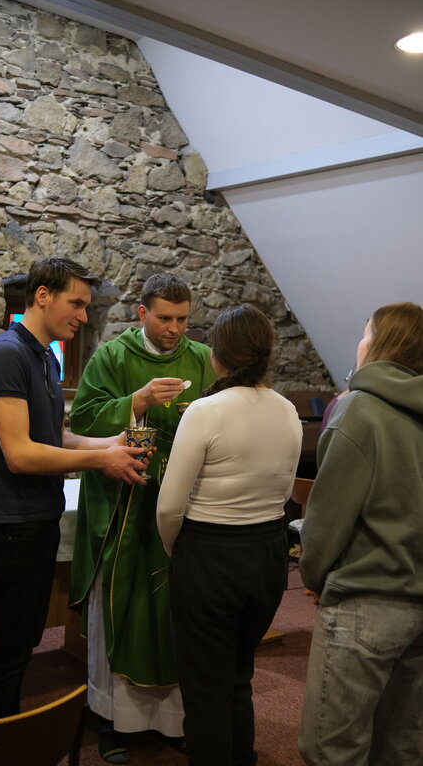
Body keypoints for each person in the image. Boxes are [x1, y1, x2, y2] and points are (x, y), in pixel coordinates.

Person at [0, 256, 148, 721]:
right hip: (12, 523)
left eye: (87, 306)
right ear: (43, 296)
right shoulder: (7, 354)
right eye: (77, 304)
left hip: (35, 518)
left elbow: (55, 437)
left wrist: (110, 442)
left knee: (25, 636)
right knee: (12, 643)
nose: (84, 316)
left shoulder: (45, 355)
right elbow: (20, 454)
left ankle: (5, 733)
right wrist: (101, 460)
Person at [69, 272, 215, 763]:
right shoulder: (112, 357)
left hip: (184, 510)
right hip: (127, 507)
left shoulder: (202, 359)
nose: (175, 329)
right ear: (142, 313)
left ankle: (172, 721)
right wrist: (137, 401)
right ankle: (112, 720)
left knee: (176, 614)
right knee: (124, 609)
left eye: (183, 319)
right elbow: (80, 422)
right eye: (165, 318)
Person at [156, 303, 303, 766]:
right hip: (268, 555)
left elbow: (169, 506)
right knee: (239, 675)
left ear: (217, 355)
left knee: (204, 689)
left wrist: (179, 551)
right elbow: (284, 492)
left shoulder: (205, 410)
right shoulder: (288, 411)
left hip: (210, 554)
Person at [299, 302, 423, 766]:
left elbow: (327, 520)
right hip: (418, 602)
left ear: (380, 344)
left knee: (332, 750)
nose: (359, 341)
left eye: (365, 332)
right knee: (398, 747)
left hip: (365, 603)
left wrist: (314, 576)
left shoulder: (359, 409)